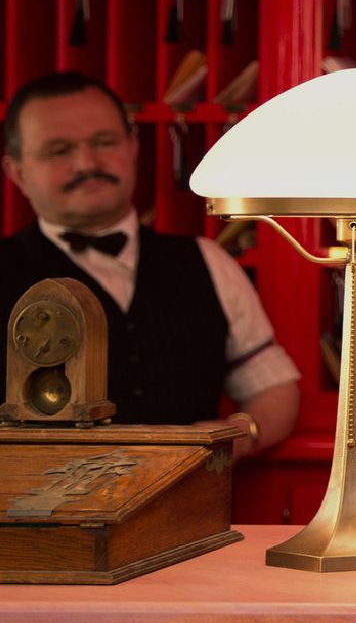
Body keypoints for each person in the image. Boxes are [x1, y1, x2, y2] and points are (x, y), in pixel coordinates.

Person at [0, 71, 299, 456]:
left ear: (132, 147)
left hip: (188, 510)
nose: (86, 162)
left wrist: (242, 432)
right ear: (17, 172)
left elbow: (274, 387)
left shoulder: (207, 260)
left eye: (104, 141)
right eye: (59, 150)